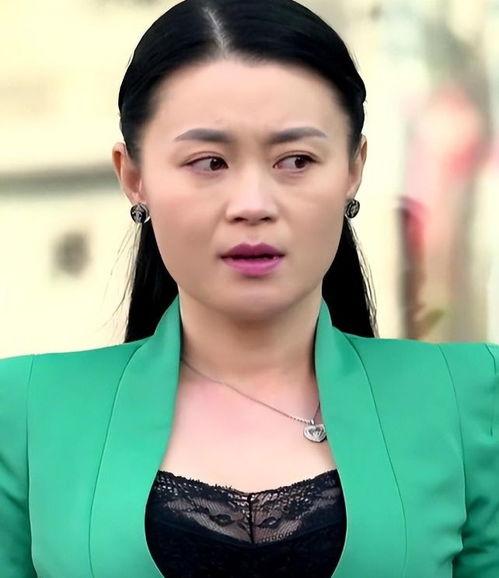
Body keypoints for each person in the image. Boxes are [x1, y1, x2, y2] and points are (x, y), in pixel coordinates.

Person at [1, 0, 497, 576]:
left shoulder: (468, 399)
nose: (253, 205)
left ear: (353, 168)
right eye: (210, 162)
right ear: (133, 176)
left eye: (296, 160)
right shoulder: (26, 412)